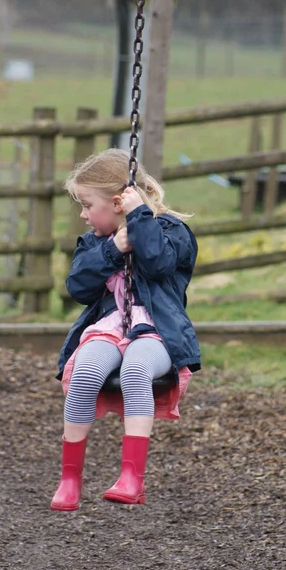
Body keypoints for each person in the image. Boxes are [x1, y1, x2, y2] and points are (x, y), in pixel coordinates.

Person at [51, 148, 201, 511]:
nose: (84, 215)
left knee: (136, 370)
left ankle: (132, 477)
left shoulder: (171, 231)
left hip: (156, 332)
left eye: (88, 205)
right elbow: (79, 288)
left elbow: (159, 264)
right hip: (109, 327)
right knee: (85, 370)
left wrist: (139, 219)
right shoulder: (95, 243)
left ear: (118, 202)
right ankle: (69, 479)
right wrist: (112, 250)